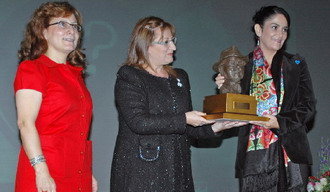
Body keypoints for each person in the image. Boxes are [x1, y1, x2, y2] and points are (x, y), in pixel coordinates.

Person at [110, 16, 246, 192]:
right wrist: (184, 118)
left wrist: (216, 127)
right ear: (146, 46)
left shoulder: (180, 77)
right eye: (165, 42)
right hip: (141, 173)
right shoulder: (129, 75)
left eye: (173, 40)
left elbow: (187, 127)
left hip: (178, 171)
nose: (173, 47)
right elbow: (139, 122)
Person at [215, 6, 316, 192]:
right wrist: (225, 89)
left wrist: (279, 122)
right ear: (258, 30)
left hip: (291, 152)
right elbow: (236, 111)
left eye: (285, 29)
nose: (281, 34)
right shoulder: (240, 66)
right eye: (275, 27)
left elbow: (308, 107)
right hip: (255, 153)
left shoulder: (296, 63)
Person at [14, 2, 97, 192]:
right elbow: (25, 123)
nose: (71, 31)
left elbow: (77, 132)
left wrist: (86, 171)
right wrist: (41, 170)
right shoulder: (33, 69)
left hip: (77, 174)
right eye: (62, 24)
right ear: (43, 32)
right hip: (45, 172)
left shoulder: (76, 76)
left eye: (75, 26)